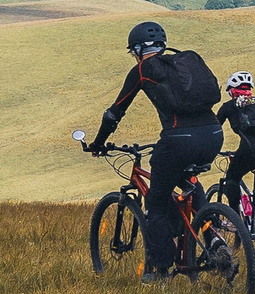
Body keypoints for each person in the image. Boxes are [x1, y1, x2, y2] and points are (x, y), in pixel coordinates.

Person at [87, 20, 223, 280]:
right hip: (214, 135)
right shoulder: (185, 62)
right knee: (190, 182)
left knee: (156, 201)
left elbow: (115, 113)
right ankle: (214, 238)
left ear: (138, 49)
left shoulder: (143, 69)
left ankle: (161, 270)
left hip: (178, 139)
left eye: (133, 52)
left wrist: (98, 142)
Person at [214, 72, 255, 218]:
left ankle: (234, 218)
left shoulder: (228, 107)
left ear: (232, 90)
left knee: (232, 178)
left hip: (249, 150)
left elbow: (214, 129)